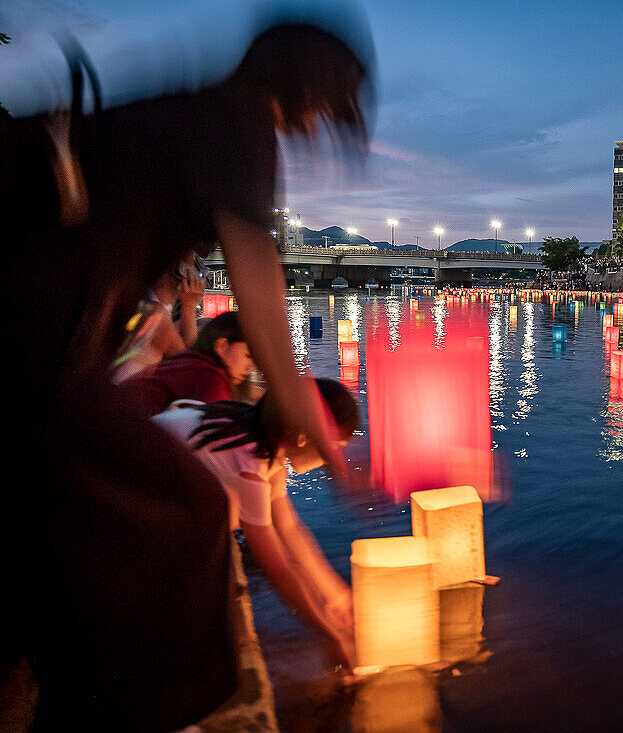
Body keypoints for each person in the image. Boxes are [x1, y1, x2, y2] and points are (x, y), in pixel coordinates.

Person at [4, 19, 374, 730]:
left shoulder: (193, 108)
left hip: (45, 337)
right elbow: (262, 302)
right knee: (193, 511)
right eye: (331, 105)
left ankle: (76, 689)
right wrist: (329, 451)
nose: (322, 124)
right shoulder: (241, 129)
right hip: (40, 344)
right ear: (306, 84)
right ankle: (132, 707)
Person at [154, 378, 359, 670]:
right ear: (303, 436)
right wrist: (330, 634)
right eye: (332, 447)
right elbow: (276, 568)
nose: (331, 459)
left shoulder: (264, 438)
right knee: (229, 509)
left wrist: (334, 594)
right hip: (121, 490)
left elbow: (289, 528)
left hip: (144, 474)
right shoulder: (248, 463)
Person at [118, 311, 255, 418]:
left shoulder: (193, 363)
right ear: (222, 346)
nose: (250, 367)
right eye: (248, 356)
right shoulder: (210, 379)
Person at [111, 253, 205, 383]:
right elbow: (190, 363)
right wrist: (189, 305)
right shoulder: (157, 315)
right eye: (191, 266)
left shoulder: (145, 302)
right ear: (181, 272)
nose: (196, 273)